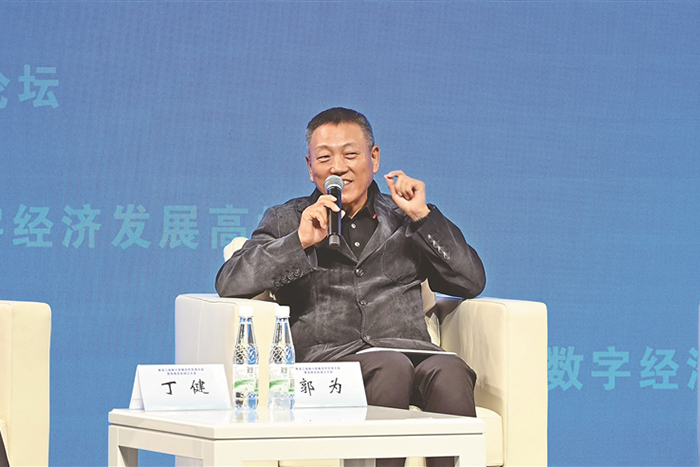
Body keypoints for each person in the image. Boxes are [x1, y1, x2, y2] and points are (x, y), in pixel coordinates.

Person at [216, 107, 486, 467]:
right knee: (390, 367)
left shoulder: (406, 217)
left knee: (450, 371)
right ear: (310, 167)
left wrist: (423, 217)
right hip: (329, 360)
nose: (338, 168)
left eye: (350, 154)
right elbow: (229, 281)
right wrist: (299, 242)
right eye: (324, 158)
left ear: (374, 158)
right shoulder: (288, 219)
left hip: (409, 351)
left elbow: (470, 281)